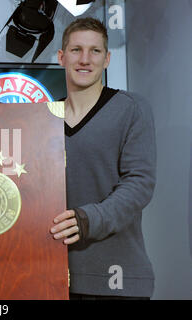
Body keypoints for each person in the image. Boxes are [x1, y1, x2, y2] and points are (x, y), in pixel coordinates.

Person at [50, 17, 156, 299]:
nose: (85, 59)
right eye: (76, 50)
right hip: (50, 277)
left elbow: (139, 184)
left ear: (107, 59)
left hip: (115, 278)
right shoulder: (40, 119)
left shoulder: (131, 109)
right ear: (61, 57)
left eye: (95, 51)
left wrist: (88, 219)